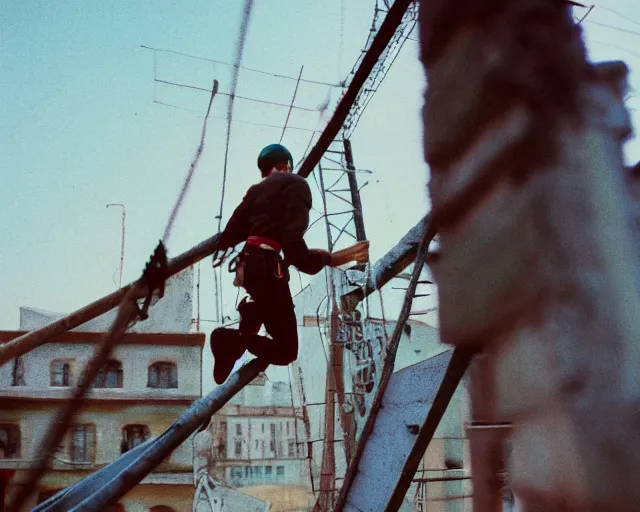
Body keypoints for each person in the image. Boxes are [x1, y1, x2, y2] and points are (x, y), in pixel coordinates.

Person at [210, 143, 369, 384]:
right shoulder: (296, 184)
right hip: (267, 271)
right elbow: (294, 248)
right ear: (286, 166)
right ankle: (232, 340)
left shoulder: (255, 190)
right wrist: (327, 259)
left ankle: (245, 325)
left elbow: (230, 234)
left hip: (249, 267)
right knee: (287, 351)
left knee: (266, 309)